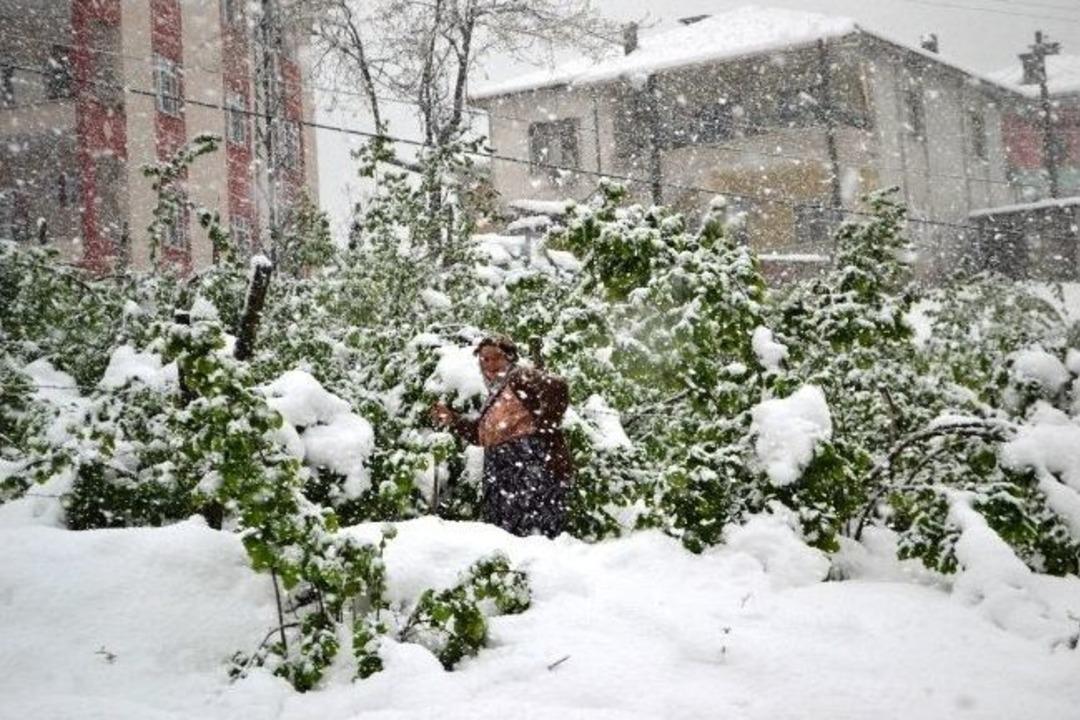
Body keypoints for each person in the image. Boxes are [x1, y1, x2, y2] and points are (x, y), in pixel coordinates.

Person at [431, 336, 572, 538]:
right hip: (506, 476)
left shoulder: (518, 378)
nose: (490, 364)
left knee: (532, 538)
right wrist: (453, 419)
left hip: (529, 471)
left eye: (496, 357)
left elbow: (558, 388)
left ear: (510, 358)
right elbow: (484, 435)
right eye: (484, 359)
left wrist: (543, 427)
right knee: (509, 537)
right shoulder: (499, 391)